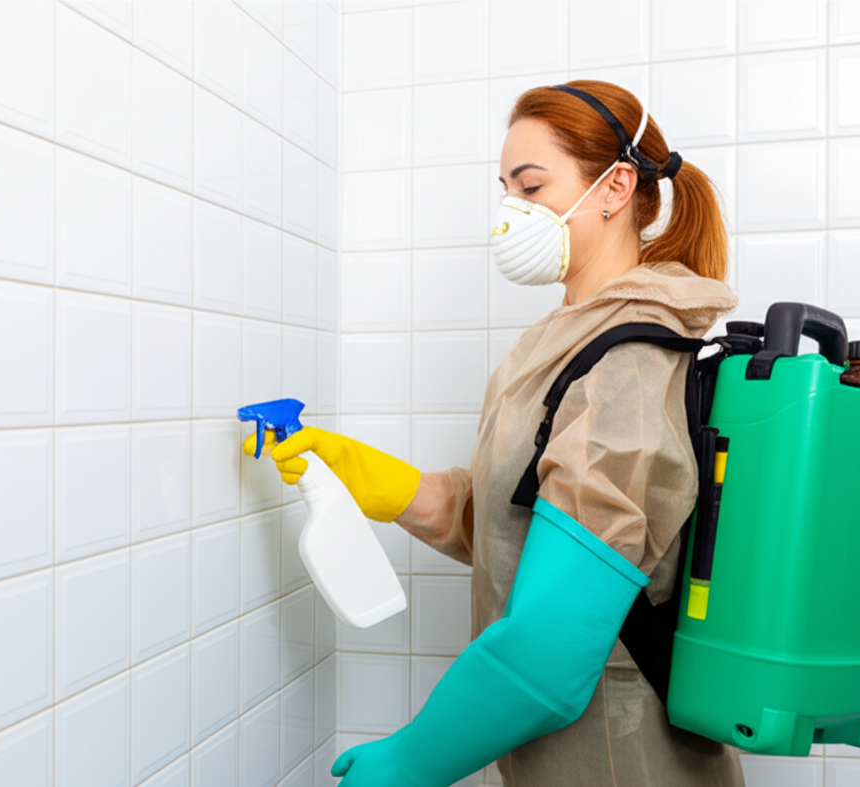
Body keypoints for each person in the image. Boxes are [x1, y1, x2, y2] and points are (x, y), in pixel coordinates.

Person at [246, 80, 746, 787]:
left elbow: (549, 650)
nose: (512, 212)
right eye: (506, 189)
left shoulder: (626, 363)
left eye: (531, 187)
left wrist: (410, 760)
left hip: (623, 760)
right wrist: (373, 478)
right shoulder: (570, 340)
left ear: (615, 187)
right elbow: (522, 527)